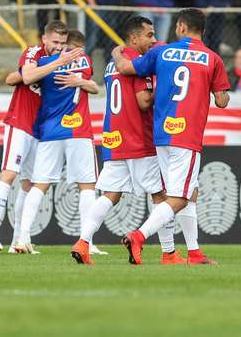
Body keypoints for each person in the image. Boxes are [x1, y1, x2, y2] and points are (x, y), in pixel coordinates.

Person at [114, 8, 229, 266]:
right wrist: (217, 91)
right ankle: (138, 236)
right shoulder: (212, 59)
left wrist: (116, 52)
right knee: (181, 196)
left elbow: (125, 67)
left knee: (187, 191)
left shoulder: (161, 52)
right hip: (187, 135)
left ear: (181, 27)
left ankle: (194, 253)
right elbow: (222, 101)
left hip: (162, 134)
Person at [72, 16, 185, 266]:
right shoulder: (137, 63)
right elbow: (143, 101)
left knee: (110, 194)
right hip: (139, 140)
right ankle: (169, 253)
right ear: (134, 38)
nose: (153, 39)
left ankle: (83, 242)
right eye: (149, 35)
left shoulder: (115, 63)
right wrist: (163, 88)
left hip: (115, 140)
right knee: (162, 195)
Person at [0, 20, 78, 253]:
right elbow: (27, 76)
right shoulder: (34, 52)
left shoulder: (61, 61)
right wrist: (57, 62)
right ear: (44, 39)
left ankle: (18, 241)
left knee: (29, 183)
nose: (58, 47)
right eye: (54, 42)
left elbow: (17, 77)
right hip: (20, 122)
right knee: (9, 174)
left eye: (63, 43)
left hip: (40, 129)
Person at [15, 29, 99, 255]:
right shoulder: (85, 62)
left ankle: (22, 238)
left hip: (50, 132)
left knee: (39, 184)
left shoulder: (44, 64)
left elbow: (24, 78)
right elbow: (95, 87)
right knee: (87, 186)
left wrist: (79, 81)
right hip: (78, 131)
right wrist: (80, 81)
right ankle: (86, 242)